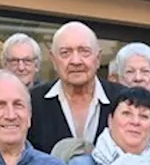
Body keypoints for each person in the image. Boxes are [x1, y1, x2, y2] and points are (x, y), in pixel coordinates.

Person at [28, 21, 121, 153]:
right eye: (65, 53)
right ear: (53, 60)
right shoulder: (31, 102)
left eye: (84, 52)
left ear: (98, 58)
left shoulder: (123, 100)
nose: (76, 61)